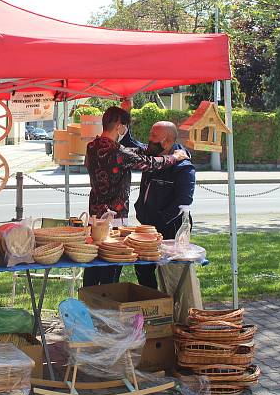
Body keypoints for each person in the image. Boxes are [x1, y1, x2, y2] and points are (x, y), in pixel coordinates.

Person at [83, 107, 189, 287]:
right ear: (119, 127)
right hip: (113, 220)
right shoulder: (119, 152)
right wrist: (175, 157)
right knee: (111, 267)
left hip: (94, 217)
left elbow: (135, 151)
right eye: (124, 126)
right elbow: (150, 163)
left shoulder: (92, 146)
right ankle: (104, 307)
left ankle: (87, 303)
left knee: (93, 266)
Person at [133, 121, 196, 289]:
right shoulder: (155, 158)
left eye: (154, 136)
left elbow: (183, 203)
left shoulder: (184, 168)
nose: (149, 139)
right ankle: (153, 303)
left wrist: (158, 223)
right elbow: (132, 144)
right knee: (142, 267)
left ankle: (172, 307)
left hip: (170, 230)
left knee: (172, 275)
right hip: (149, 228)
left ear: (167, 142)